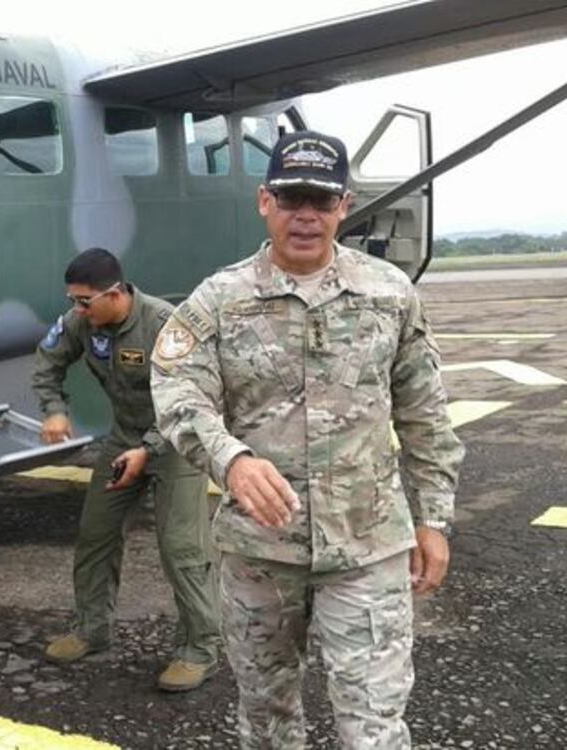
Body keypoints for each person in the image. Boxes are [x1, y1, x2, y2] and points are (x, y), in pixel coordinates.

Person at [150, 131, 464, 747]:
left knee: (374, 725)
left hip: (367, 547)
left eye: (321, 201)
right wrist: (230, 459)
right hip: (259, 554)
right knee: (267, 718)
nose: (306, 215)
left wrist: (434, 519)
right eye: (292, 197)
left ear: (345, 206)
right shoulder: (219, 300)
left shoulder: (389, 293)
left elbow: (425, 414)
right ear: (264, 201)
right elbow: (178, 393)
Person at [32, 247, 220, 692]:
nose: (76, 310)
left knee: (183, 549)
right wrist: (54, 410)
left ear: (115, 295)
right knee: (96, 535)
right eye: (73, 300)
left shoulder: (165, 325)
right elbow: (48, 362)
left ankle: (199, 649)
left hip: (176, 444)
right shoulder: (83, 322)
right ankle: (90, 630)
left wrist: (149, 449)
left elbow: (196, 400)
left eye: (84, 301)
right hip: (124, 440)